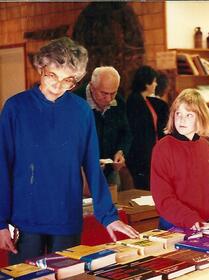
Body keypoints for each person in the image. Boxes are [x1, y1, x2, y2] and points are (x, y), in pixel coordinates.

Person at [0, 37, 138, 265]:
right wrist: (1, 222)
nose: (58, 85)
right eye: (52, 75)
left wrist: (108, 216)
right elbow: (2, 166)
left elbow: (92, 166)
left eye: (68, 81)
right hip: (25, 219)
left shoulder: (81, 110)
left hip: (66, 217)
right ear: (40, 67)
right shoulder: (16, 107)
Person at [150, 88, 209, 230]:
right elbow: (163, 198)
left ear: (201, 118)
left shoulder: (205, 146)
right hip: (176, 224)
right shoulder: (163, 148)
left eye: (189, 115)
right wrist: (190, 219)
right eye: (178, 114)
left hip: (207, 223)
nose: (182, 119)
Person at [74, 66, 132, 188]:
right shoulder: (75, 102)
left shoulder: (119, 102)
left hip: (110, 172)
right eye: (104, 93)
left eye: (113, 93)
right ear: (92, 86)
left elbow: (126, 132)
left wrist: (121, 152)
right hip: (80, 173)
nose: (109, 99)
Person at [126, 65, 169, 190]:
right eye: (154, 81)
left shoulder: (147, 101)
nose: (156, 84)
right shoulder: (135, 101)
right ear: (146, 83)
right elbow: (138, 133)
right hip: (142, 157)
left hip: (152, 152)